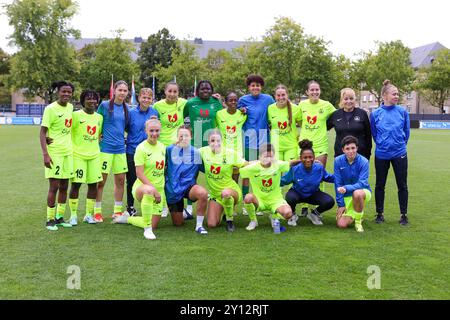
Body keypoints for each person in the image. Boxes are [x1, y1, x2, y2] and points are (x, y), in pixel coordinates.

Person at [113, 119, 166, 240]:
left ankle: (129, 219)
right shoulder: (141, 148)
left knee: (154, 224)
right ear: (146, 131)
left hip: (158, 190)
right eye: (151, 130)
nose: (154, 133)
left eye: (157, 131)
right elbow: (140, 174)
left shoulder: (162, 147)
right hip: (142, 188)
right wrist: (154, 190)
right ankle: (147, 231)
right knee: (149, 191)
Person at [370, 80, 410, 225]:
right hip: (381, 154)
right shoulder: (375, 114)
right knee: (380, 185)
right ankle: (379, 214)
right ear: (385, 95)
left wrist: (399, 146)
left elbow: (406, 132)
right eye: (394, 94)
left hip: (400, 153)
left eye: (398, 94)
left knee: (402, 185)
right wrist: (382, 144)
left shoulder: (402, 112)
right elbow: (374, 134)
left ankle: (403, 215)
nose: (397, 96)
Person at [40, 81, 75, 231]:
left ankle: (60, 217)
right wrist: (45, 154)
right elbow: (42, 132)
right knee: (53, 186)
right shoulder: (50, 109)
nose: (66, 94)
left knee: (64, 187)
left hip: (68, 153)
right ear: (57, 92)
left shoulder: (71, 107)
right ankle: (50, 219)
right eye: (63, 91)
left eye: (69, 92)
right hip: (55, 153)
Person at [238, 75, 275, 214]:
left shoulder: (268, 99)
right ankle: (245, 204)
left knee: (262, 172)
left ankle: (259, 201)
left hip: (265, 141)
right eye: (253, 85)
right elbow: (235, 114)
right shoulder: (243, 100)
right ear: (249, 87)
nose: (255, 88)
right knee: (248, 172)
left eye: (258, 85)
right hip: (249, 141)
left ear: (261, 87)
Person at [67, 90, 103, 225]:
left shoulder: (99, 117)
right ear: (83, 101)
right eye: (88, 99)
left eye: (94, 99)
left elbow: (98, 135)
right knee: (76, 185)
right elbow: (66, 132)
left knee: (93, 185)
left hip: (94, 156)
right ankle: (73, 215)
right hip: (78, 156)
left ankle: (88, 215)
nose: (92, 101)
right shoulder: (75, 115)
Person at [239, 143, 295, 233]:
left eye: (271, 157)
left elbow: (291, 163)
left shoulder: (277, 164)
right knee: (248, 197)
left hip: (275, 200)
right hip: (259, 201)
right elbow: (238, 168)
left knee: (288, 214)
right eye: (265, 157)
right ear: (259, 157)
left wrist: (313, 161)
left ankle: (274, 216)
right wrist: (250, 162)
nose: (268, 159)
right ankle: (253, 221)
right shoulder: (252, 167)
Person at [199, 129, 247, 232]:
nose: (215, 143)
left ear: (222, 141)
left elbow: (246, 164)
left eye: (218, 141)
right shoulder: (203, 151)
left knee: (225, 193)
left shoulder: (230, 154)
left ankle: (230, 220)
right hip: (215, 195)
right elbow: (188, 152)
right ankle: (224, 209)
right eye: (212, 141)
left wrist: (263, 163)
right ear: (208, 142)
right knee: (212, 224)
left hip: (231, 190)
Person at [95, 80, 129, 223]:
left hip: (120, 150)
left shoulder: (127, 108)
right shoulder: (104, 106)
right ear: (114, 91)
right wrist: (98, 137)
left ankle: (117, 211)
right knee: (101, 182)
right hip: (106, 149)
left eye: (125, 90)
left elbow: (126, 127)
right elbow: (96, 123)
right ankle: (97, 212)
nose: (122, 93)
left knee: (120, 181)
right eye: (120, 90)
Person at [165, 126, 208, 235]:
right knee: (178, 224)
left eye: (186, 136)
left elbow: (205, 169)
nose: (183, 138)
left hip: (189, 187)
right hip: (173, 190)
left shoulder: (196, 153)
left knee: (202, 193)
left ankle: (199, 226)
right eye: (181, 136)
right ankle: (184, 213)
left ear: (191, 137)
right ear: (177, 137)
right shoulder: (169, 150)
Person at [281, 140, 335, 227]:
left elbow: (328, 177)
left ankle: (313, 214)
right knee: (290, 197)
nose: (308, 160)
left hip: (313, 194)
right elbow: (284, 180)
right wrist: (272, 183)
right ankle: (293, 215)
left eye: (310, 157)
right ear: (300, 158)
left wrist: (344, 179)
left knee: (329, 201)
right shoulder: (295, 169)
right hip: (297, 194)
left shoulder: (319, 167)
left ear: (314, 157)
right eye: (305, 157)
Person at [125, 88, 159, 216]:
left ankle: (153, 204)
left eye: (149, 98)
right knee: (132, 180)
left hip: (149, 151)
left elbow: (156, 129)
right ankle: (130, 207)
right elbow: (127, 128)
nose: (146, 100)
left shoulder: (154, 112)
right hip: (132, 150)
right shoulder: (131, 113)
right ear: (139, 98)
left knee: (151, 178)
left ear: (152, 99)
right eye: (144, 97)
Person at [334, 136, 372, 233]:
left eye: (353, 148)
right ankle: (358, 214)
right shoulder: (338, 161)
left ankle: (358, 222)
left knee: (357, 193)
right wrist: (341, 204)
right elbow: (338, 183)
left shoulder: (364, 161)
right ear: (343, 150)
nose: (351, 151)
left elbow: (362, 183)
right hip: (346, 195)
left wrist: (346, 188)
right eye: (347, 148)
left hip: (363, 192)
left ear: (357, 148)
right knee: (341, 225)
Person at [299, 80, 336, 167]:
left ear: (320, 91)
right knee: (303, 176)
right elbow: (299, 121)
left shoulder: (327, 105)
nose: (314, 92)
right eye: (312, 90)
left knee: (318, 176)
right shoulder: (301, 104)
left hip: (321, 146)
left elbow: (339, 116)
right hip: (304, 145)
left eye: (317, 89)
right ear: (307, 92)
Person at [327, 88, 372, 160]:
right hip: (340, 155)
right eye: (346, 99)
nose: (349, 101)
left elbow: (368, 135)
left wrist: (368, 153)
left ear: (355, 100)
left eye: (351, 98)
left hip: (360, 155)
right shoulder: (336, 114)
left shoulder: (362, 113)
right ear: (341, 100)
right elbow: (324, 127)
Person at [216, 92, 247, 183]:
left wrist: (245, 110)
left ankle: (236, 196)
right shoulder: (219, 114)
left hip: (237, 152)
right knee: (223, 177)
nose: (233, 102)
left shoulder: (242, 114)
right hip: (223, 152)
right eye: (230, 100)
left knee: (235, 179)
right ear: (225, 102)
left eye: (235, 100)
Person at [183, 80, 223, 149]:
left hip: (212, 141)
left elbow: (223, 118)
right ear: (197, 91)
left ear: (212, 91)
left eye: (208, 89)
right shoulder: (191, 103)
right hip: (196, 142)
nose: (205, 91)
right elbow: (181, 117)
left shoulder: (216, 102)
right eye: (202, 89)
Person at [267, 85, 302, 161]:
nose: (281, 97)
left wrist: (299, 136)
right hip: (275, 147)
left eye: (283, 95)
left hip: (291, 147)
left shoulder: (296, 108)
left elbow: (303, 126)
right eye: (278, 95)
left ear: (287, 95)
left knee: (288, 172)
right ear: (275, 96)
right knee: (276, 172)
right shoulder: (270, 108)